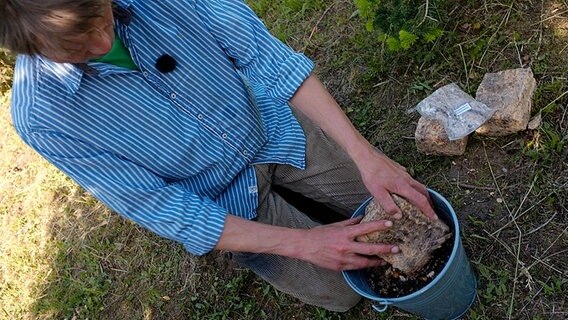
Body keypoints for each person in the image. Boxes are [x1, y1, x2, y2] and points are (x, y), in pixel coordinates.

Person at [3, 0, 436, 312]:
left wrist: (363, 152)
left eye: (102, 17)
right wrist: (304, 244)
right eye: (76, 50)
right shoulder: (41, 114)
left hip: (270, 129)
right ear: (30, 51)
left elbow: (267, 58)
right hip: (222, 198)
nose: (102, 43)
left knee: (409, 215)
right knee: (344, 293)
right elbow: (156, 205)